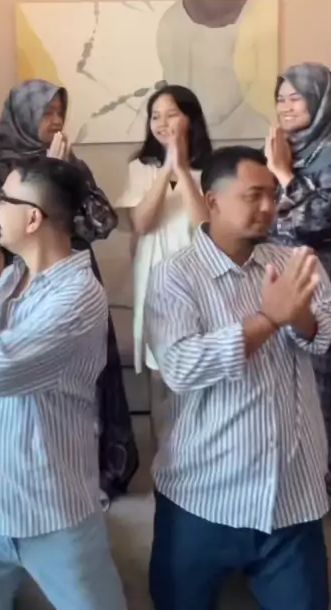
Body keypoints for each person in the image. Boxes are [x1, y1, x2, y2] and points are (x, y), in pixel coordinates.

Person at [145, 145, 331, 610]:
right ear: (213, 201)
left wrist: (295, 316)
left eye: (273, 195)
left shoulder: (294, 261)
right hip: (202, 495)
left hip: (291, 498)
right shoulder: (175, 276)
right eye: (254, 195)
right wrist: (267, 320)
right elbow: (181, 366)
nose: (269, 207)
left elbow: (330, 325)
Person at [0, 156, 128, 610]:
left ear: (32, 218)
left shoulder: (78, 296)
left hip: (48, 507)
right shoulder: (11, 275)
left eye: (2, 199)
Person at [0, 79, 138, 502]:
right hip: (23, 279)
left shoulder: (71, 162)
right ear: (23, 115)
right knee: (32, 380)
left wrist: (66, 172)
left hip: (75, 276)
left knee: (91, 372)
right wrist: (48, 185)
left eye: (59, 112)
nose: (54, 121)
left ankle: (101, 470)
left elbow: (103, 224)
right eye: (45, 112)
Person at [266, 62, 331, 508]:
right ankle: (307, 478)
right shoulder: (289, 147)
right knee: (296, 383)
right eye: (280, 99)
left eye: (296, 98)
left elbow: (319, 220)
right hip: (289, 275)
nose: (286, 107)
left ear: (319, 100)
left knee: (330, 387)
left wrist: (282, 174)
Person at [115, 85, 211, 441]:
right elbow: (142, 223)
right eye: (155, 116)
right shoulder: (140, 168)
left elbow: (206, 227)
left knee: (196, 376)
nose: (161, 123)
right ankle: (163, 463)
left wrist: (182, 170)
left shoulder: (211, 169)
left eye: (171, 114)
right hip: (153, 280)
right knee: (158, 378)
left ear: (190, 119)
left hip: (197, 282)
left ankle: (196, 459)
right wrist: (166, 167)